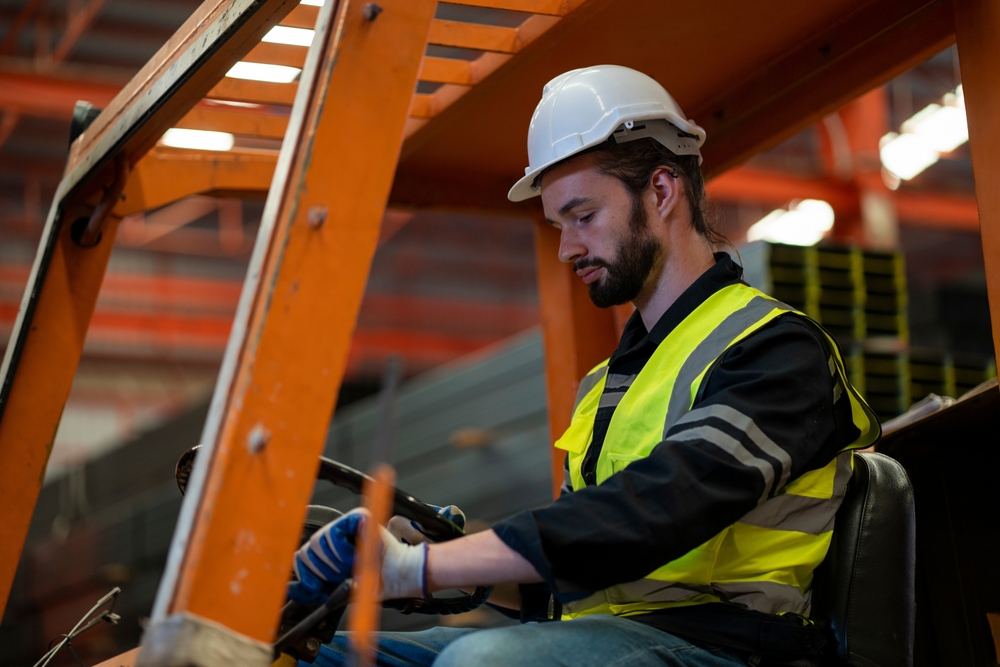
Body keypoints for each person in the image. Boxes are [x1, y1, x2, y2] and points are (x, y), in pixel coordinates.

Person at [292, 65, 879, 667]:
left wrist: (420, 569)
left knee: (483, 663)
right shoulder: (607, 386)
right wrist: (431, 559)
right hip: (603, 639)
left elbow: (656, 510)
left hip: (727, 646)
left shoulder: (774, 351)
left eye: (583, 216)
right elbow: (572, 575)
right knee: (308, 656)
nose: (568, 247)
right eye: (558, 225)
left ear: (661, 190)